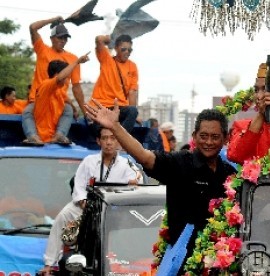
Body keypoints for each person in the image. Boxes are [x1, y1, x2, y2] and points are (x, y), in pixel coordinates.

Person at [84, 101, 237, 273]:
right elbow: (144, 157)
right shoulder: (179, 163)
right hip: (180, 266)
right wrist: (115, 127)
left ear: (225, 138)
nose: (208, 142)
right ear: (194, 136)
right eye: (203, 136)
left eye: (215, 137)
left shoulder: (230, 174)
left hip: (219, 266)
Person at [40, 126, 141, 275]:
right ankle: (49, 265)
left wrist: (134, 182)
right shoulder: (89, 161)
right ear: (98, 141)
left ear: (119, 142)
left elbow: (135, 183)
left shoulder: (127, 164)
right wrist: (85, 204)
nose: (109, 142)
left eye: (113, 138)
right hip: (86, 207)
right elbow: (79, 187)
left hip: (113, 212)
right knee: (63, 216)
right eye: (105, 138)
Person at [23, 19, 86, 144]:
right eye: (60, 37)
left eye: (65, 38)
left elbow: (76, 87)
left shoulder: (72, 58)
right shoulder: (43, 50)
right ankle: (33, 137)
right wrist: (54, 19)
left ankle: (59, 135)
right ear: (52, 38)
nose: (63, 41)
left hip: (59, 100)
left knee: (68, 110)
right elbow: (33, 27)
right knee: (27, 112)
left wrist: (84, 111)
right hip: (39, 98)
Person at [33, 54, 90, 144]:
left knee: (68, 108)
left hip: (53, 140)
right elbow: (60, 78)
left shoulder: (58, 91)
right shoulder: (46, 85)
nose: (67, 80)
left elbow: (66, 100)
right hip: (43, 138)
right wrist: (77, 61)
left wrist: (74, 110)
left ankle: (59, 135)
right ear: (56, 74)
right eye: (66, 77)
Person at [88, 34, 139, 134]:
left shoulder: (132, 66)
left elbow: (132, 93)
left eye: (130, 50)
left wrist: (133, 116)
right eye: (124, 49)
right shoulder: (106, 59)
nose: (127, 52)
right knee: (101, 130)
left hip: (119, 108)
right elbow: (99, 39)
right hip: (101, 107)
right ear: (116, 48)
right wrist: (108, 39)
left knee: (133, 110)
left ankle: (120, 141)